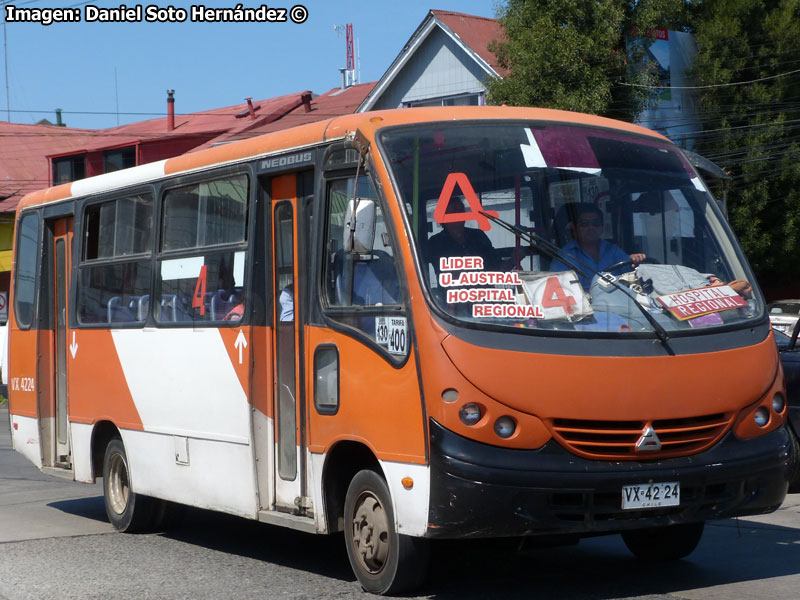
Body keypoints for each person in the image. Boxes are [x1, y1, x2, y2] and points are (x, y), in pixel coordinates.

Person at [549, 203, 646, 291]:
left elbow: (629, 269)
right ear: (574, 228)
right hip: (583, 308)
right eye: (584, 224)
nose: (590, 228)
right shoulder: (564, 256)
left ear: (602, 227)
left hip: (617, 305)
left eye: (596, 224)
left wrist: (635, 260)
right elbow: (558, 289)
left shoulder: (612, 250)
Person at [427, 197, 504, 274]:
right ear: (443, 215)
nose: (460, 214)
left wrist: (512, 261)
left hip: (482, 285)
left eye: (461, 210)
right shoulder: (435, 242)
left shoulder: (478, 236)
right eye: (454, 210)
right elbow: (419, 264)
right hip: (450, 285)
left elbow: (498, 265)